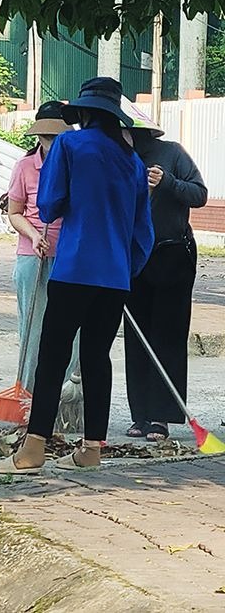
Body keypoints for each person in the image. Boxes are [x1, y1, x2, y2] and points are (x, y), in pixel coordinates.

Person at [0, 77, 154, 474]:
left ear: (81, 113)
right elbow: (142, 233)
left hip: (75, 267)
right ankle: (91, 450)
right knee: (97, 358)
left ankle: (32, 450)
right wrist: (122, 269)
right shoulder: (133, 162)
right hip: (114, 276)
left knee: (53, 355)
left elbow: (48, 206)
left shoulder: (68, 145)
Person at [122, 100, 207, 442]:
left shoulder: (172, 153)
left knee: (167, 335)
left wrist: (169, 181)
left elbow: (199, 194)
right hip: (133, 257)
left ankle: (161, 416)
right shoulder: (118, 161)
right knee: (136, 336)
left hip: (172, 254)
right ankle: (140, 414)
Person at [6, 101, 77, 391]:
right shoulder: (25, 166)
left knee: (71, 329)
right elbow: (14, 212)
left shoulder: (78, 165)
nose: (51, 143)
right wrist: (34, 235)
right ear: (38, 136)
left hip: (70, 257)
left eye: (57, 138)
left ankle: (62, 394)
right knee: (34, 328)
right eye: (46, 138)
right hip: (32, 255)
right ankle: (27, 391)